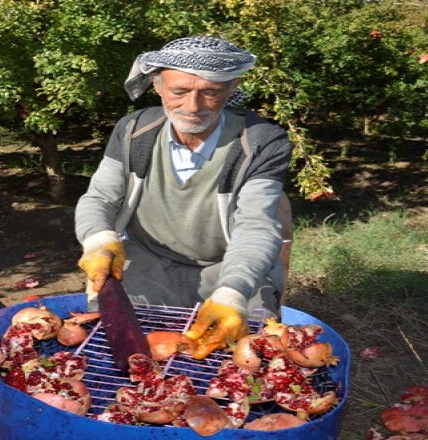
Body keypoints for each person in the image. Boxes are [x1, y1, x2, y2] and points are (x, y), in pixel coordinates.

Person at [74, 36, 292, 359]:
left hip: (228, 263)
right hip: (149, 260)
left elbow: (256, 227)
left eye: (211, 93)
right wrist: (98, 241)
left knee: (247, 348)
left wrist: (232, 292)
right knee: (120, 344)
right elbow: (100, 198)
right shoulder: (133, 131)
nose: (193, 106)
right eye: (179, 92)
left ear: (232, 89)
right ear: (157, 85)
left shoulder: (262, 143)